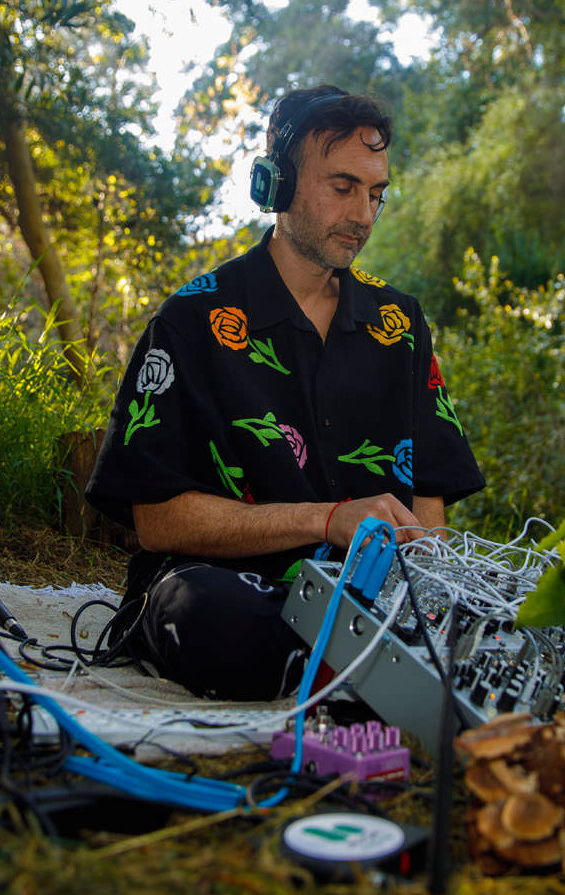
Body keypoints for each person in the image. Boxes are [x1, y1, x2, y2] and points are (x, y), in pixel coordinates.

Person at [86, 84, 484, 700]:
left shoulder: (400, 323)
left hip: (367, 598)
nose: (363, 216)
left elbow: (428, 499)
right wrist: (326, 521)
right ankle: (367, 674)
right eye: (343, 187)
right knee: (208, 615)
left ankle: (371, 664)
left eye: (376, 194)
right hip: (230, 589)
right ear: (277, 183)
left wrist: (432, 600)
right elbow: (157, 520)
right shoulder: (191, 320)